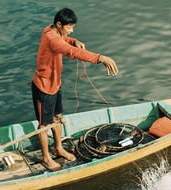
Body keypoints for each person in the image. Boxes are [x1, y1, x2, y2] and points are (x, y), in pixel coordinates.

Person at [31, 8, 118, 171]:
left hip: (55, 84)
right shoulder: (52, 39)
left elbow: (67, 43)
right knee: (44, 125)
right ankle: (46, 158)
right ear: (59, 24)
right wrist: (100, 58)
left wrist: (73, 40)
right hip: (43, 87)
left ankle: (58, 148)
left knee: (57, 117)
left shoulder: (52, 30)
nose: (71, 30)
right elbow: (71, 52)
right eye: (69, 27)